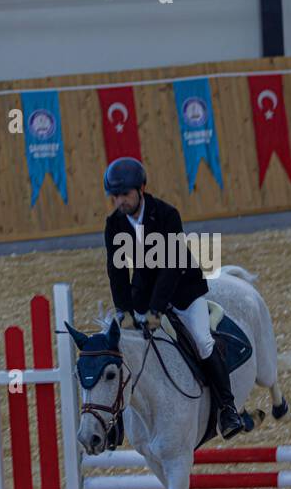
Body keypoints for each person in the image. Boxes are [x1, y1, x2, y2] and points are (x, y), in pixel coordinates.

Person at [102, 157, 244, 439]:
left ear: (141, 189)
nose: (120, 201)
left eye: (125, 195)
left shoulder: (166, 215)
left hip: (182, 290)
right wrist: (124, 311)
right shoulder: (114, 224)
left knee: (203, 341)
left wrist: (156, 311)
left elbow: (171, 267)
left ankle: (227, 409)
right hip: (142, 295)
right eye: (115, 196)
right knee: (122, 347)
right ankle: (114, 422)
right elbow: (117, 271)